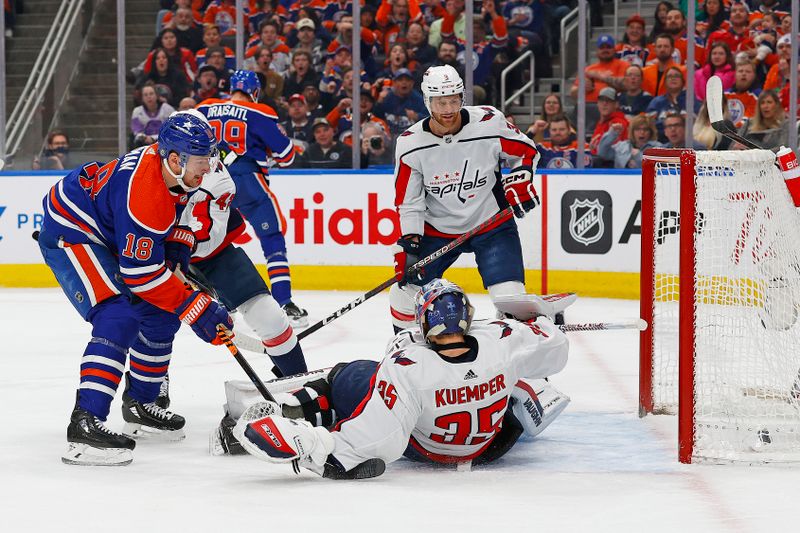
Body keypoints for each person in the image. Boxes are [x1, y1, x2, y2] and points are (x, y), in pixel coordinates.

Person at [37, 113, 233, 466]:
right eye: (201, 164)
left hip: (113, 229)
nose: (206, 171)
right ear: (175, 159)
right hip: (74, 230)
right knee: (118, 316)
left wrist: (177, 250)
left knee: (160, 316)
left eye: (208, 162)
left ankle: (142, 404)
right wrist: (195, 306)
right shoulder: (144, 192)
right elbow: (140, 275)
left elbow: (179, 216)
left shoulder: (177, 170)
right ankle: (85, 422)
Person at [228, 278, 570, 479]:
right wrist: (539, 320)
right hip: (490, 446)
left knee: (354, 374)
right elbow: (554, 348)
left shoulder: (409, 363)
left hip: (430, 449)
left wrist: (324, 452)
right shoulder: (506, 340)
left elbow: (385, 439)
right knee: (522, 383)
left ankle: (298, 412)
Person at [387, 65, 541, 332]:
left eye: (454, 100)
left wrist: (522, 175)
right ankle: (405, 350)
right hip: (437, 230)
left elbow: (526, 151)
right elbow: (409, 201)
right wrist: (411, 243)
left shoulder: (489, 122)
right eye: (440, 102)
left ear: (462, 98)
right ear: (427, 101)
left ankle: (521, 353)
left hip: (491, 223)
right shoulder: (410, 142)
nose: (448, 108)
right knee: (403, 294)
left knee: (511, 299)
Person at [196, 70, 309, 327]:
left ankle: (220, 303)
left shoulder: (205, 108)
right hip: (247, 179)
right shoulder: (260, 111)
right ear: (254, 92)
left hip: (209, 181)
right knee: (272, 239)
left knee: (213, 244)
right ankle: (284, 302)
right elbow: (287, 155)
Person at [569, 34, 629, 103]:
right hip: (589, 106)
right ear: (597, 51)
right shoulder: (588, 69)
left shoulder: (623, 65)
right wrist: (582, 88)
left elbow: (627, 85)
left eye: (608, 47)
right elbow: (572, 93)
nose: (605, 50)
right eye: (602, 47)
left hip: (613, 106)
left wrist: (599, 76)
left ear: (614, 50)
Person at [596, 114, 662, 169]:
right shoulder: (622, 146)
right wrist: (612, 134)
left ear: (651, 132)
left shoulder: (658, 148)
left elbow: (658, 168)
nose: (642, 132)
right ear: (632, 131)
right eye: (638, 129)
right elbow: (602, 153)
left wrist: (639, 156)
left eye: (645, 129)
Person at [131, 83, 176, 148]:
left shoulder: (168, 109)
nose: (149, 97)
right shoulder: (137, 111)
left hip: (165, 142)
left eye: (151, 94)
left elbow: (172, 130)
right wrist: (144, 138)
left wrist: (153, 138)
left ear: (157, 96)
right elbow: (137, 131)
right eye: (145, 95)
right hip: (144, 143)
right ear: (142, 98)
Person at [589, 87, 629, 161]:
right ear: (597, 103)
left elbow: (612, 150)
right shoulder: (601, 122)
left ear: (616, 104)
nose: (604, 103)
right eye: (601, 100)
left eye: (608, 101)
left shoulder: (618, 122)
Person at [725, 60, 761, 128]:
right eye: (740, 71)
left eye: (748, 71)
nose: (744, 74)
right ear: (735, 74)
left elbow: (748, 120)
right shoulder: (725, 94)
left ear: (754, 75)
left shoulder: (758, 95)